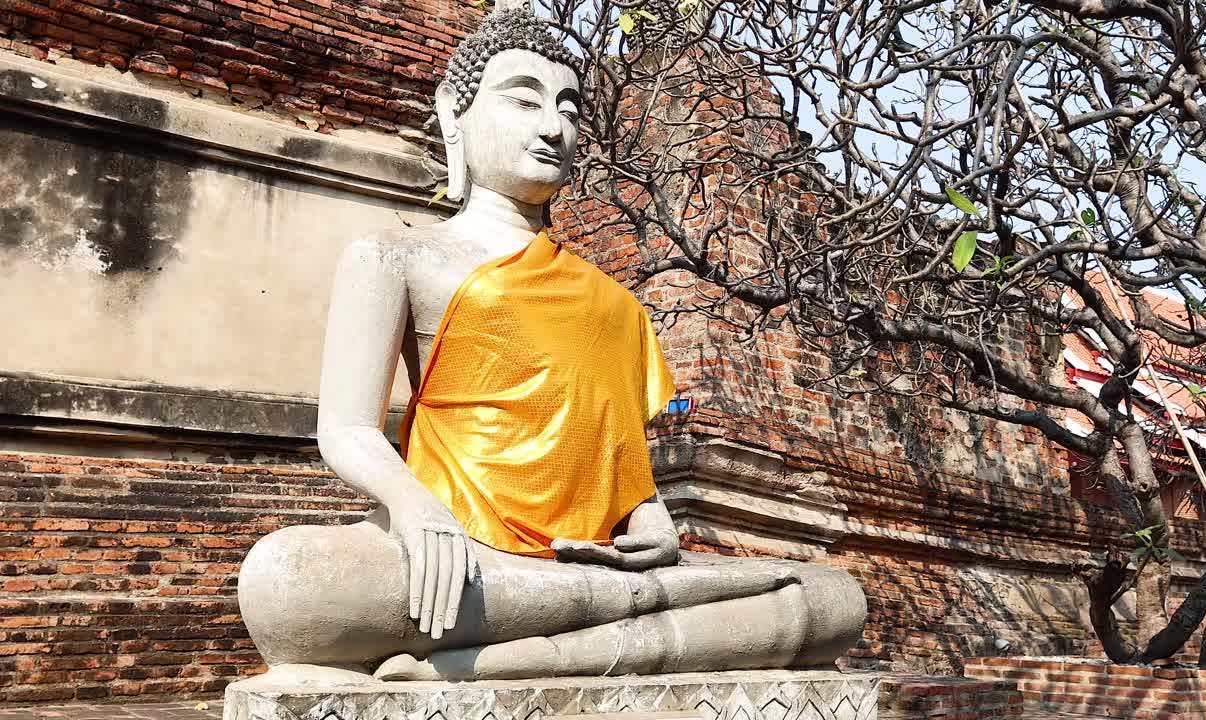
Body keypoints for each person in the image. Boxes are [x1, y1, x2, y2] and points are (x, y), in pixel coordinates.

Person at [236, 5, 865, 683]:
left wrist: (650, 521)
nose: (553, 126)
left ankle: (518, 657)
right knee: (290, 585)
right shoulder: (398, 255)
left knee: (831, 601)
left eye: (568, 107)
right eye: (524, 99)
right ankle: (598, 633)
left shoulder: (615, 303)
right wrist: (417, 510)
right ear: (456, 113)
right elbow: (348, 429)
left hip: (589, 568)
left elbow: (621, 462)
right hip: (460, 553)